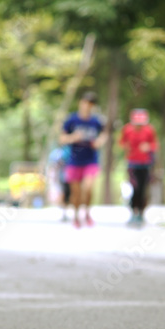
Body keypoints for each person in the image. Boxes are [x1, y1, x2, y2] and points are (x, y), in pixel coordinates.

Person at [59, 91, 106, 227]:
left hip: (90, 160)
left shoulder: (96, 121)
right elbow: (62, 139)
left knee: (88, 188)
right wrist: (73, 137)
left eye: (90, 104)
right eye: (85, 102)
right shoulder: (71, 120)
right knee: (76, 192)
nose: (87, 106)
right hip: (74, 160)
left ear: (93, 106)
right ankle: (76, 216)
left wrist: (99, 142)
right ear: (80, 103)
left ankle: (87, 213)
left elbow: (104, 134)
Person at [119, 109, 158, 226]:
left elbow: (155, 145)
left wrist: (148, 146)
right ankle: (133, 211)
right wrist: (126, 147)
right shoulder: (127, 130)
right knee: (135, 187)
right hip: (132, 163)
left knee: (143, 188)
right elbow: (121, 143)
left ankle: (141, 212)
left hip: (146, 163)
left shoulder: (149, 130)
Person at [48, 146, 72, 221]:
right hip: (63, 177)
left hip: (71, 177)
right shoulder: (58, 153)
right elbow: (54, 165)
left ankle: (69, 212)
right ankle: (64, 213)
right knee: (64, 194)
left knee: (70, 194)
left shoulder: (70, 150)